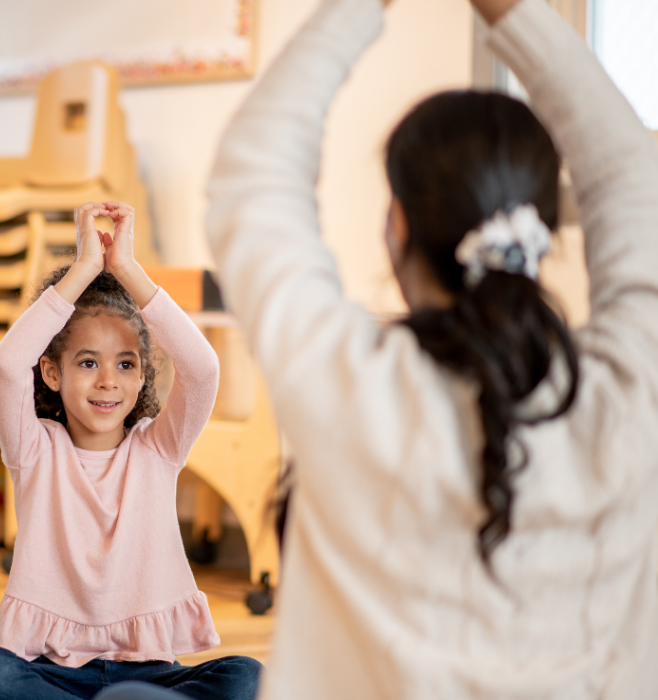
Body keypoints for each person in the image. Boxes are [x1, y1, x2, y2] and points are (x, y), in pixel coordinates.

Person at [202, 0, 658, 696]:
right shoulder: (629, 391)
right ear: (545, 231)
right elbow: (633, 177)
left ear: (398, 227)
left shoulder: (349, 381)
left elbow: (252, 172)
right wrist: (515, 13)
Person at [0, 201, 262, 700]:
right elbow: (9, 367)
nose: (107, 382)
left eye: (124, 365)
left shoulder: (159, 448)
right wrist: (83, 270)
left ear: (142, 375)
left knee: (248, 676)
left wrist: (128, 270)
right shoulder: (34, 449)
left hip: (150, 672)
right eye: (88, 362)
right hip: (52, 671)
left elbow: (203, 370)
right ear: (52, 372)